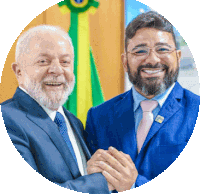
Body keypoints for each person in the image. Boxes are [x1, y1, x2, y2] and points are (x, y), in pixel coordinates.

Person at [85, 11, 200, 191]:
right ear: (125, 61)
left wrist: (133, 184)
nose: (152, 60)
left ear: (178, 57)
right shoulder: (98, 116)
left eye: (162, 49)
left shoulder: (195, 110)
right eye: (140, 51)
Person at [1, 25, 110, 194]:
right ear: (19, 71)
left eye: (65, 62)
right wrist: (103, 181)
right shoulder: (8, 120)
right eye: (43, 61)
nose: (57, 70)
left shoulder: (73, 121)